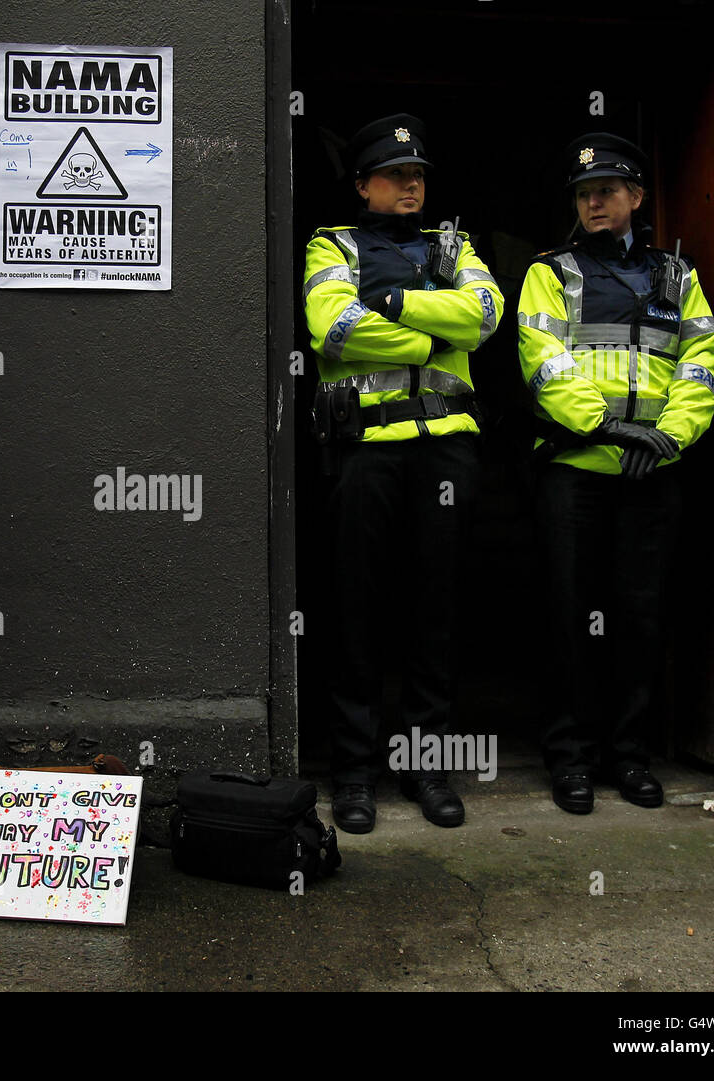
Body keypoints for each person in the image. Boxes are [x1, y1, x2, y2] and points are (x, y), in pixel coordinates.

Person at [303, 114, 503, 833]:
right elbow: (334, 326)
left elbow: (482, 315)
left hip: (446, 449)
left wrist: (392, 301)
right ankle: (353, 774)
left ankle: (428, 768)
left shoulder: (454, 245)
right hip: (364, 449)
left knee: (436, 612)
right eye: (396, 175)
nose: (411, 186)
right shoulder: (334, 245)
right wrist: (428, 332)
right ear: (363, 184)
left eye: (419, 175)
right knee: (356, 612)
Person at [516, 132, 714, 814]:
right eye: (583, 193)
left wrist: (666, 436)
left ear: (636, 195)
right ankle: (570, 761)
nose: (593, 201)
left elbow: (700, 364)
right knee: (568, 620)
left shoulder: (677, 275)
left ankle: (628, 758)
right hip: (575, 471)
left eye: (605, 190)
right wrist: (604, 425)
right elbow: (542, 357)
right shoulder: (553, 270)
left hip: (650, 474)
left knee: (640, 618)